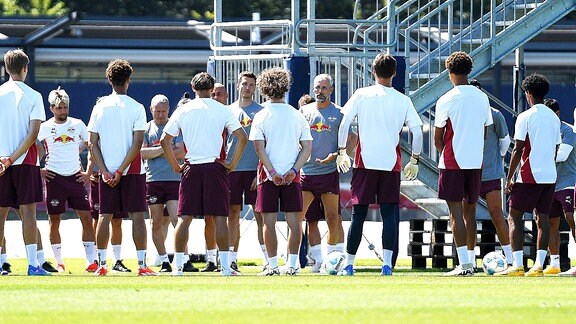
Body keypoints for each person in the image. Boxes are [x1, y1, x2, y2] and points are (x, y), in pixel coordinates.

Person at [336, 53, 423, 276]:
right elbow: (417, 129)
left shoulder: (362, 94)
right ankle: (386, 265)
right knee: (389, 213)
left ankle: (349, 264)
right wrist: (415, 158)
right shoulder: (403, 100)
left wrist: (342, 152)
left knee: (358, 214)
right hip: (390, 165)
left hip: (365, 164)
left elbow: (344, 122)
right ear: (394, 72)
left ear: (373, 71)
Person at [161, 72, 247, 276]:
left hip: (191, 167)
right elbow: (242, 137)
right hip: (215, 168)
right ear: (211, 89)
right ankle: (225, 267)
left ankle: (178, 267)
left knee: (184, 218)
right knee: (219, 218)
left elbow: (165, 140)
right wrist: (232, 163)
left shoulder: (184, 109)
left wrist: (175, 165)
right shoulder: (222, 109)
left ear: (193, 88)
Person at [87, 59, 156, 276]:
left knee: (104, 216)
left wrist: (106, 170)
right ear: (128, 80)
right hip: (132, 171)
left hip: (107, 171)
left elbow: (92, 143)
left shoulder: (99, 108)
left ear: (109, 79)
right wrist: (120, 171)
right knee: (137, 216)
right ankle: (142, 265)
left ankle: (101, 265)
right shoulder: (137, 107)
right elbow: (137, 143)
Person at [433, 52, 492, 277]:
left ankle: (465, 265)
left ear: (449, 72)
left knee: (455, 214)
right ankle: (471, 262)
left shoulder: (447, 99)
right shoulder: (481, 97)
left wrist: (446, 153)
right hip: (475, 161)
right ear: (469, 71)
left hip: (452, 162)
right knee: (471, 214)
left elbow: (438, 138)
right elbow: (485, 130)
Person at [250, 67, 313, 276]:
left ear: (264, 89)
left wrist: (272, 171)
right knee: (295, 222)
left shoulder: (261, 115)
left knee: (268, 222)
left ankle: (273, 266)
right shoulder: (297, 115)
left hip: (268, 176)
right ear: (286, 87)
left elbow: (259, 147)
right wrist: (294, 170)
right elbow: (307, 147)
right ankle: (293, 265)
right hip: (292, 176)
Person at [497, 73, 560, 277]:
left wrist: (509, 177)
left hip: (529, 174)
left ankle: (517, 264)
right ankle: (539, 265)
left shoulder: (525, 116)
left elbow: (518, 149)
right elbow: (557, 147)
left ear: (528, 93)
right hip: (549, 175)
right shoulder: (553, 117)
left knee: (514, 217)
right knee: (542, 219)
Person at [0, 49, 50, 276]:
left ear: (6, 68)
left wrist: (4, 158)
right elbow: (32, 135)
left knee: (0, 215)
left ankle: (2, 264)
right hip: (25, 162)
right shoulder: (34, 96)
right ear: (25, 69)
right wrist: (12, 158)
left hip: (1, 162)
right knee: (28, 214)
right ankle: (32, 265)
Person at [36, 87, 95, 273]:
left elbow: (91, 147)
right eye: (59, 107)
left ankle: (91, 261)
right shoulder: (44, 127)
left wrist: (87, 172)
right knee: (54, 221)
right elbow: (33, 148)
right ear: (51, 108)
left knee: (86, 217)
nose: (63, 111)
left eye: (65, 107)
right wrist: (40, 169)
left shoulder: (78, 124)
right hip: (54, 178)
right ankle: (59, 262)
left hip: (76, 177)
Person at [299, 74, 354, 272]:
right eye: (317, 88)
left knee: (333, 218)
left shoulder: (339, 113)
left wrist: (340, 154)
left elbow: (352, 138)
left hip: (328, 173)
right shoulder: (304, 111)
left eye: (323, 88)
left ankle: (335, 261)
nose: (320, 91)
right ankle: (316, 261)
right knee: (304, 219)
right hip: (306, 173)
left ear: (331, 90)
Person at [141, 94, 199, 273]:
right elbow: (142, 153)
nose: (160, 114)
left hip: (174, 178)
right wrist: (166, 148)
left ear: (169, 110)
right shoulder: (146, 129)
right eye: (157, 111)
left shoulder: (174, 127)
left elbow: (181, 151)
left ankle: (184, 258)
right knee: (155, 222)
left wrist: (156, 151)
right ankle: (164, 260)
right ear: (151, 110)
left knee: (177, 219)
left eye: (163, 111)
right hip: (153, 179)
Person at [463, 80, 513, 268]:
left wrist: (496, 158)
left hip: (491, 173)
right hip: (469, 172)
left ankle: (510, 258)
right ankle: (469, 261)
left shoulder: (495, 114)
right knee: (469, 216)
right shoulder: (463, 115)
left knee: (496, 214)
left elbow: (505, 140)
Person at [225, 71, 264, 272]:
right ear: (238, 86)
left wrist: (261, 171)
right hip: (232, 169)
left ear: (255, 88)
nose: (247, 87)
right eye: (244, 84)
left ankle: (268, 259)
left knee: (261, 216)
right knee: (232, 215)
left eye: (251, 84)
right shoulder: (228, 111)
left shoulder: (262, 111)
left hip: (255, 170)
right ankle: (232, 259)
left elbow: (267, 144)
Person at [195, 82, 231, 272]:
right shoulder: (201, 112)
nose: (216, 97)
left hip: (222, 167)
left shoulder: (226, 113)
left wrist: (232, 162)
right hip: (207, 167)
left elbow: (240, 138)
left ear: (226, 96)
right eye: (213, 93)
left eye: (220, 94)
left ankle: (229, 258)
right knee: (209, 217)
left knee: (226, 215)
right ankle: (212, 259)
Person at [541, 99, 576, 275]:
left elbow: (562, 155)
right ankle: (554, 264)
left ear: (557, 114)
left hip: (568, 182)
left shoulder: (567, 130)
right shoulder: (544, 131)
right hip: (549, 184)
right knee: (549, 223)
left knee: (572, 219)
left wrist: (538, 157)